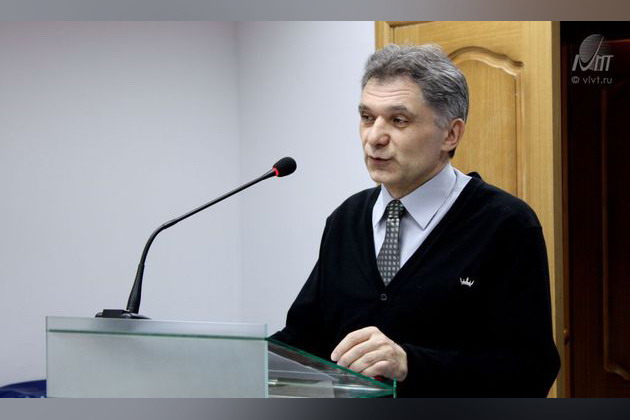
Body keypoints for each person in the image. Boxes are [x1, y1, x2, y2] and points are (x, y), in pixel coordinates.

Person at [271, 44, 560, 397]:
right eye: (367, 117)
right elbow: (304, 339)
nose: (374, 137)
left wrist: (410, 365)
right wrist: (235, 357)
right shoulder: (346, 219)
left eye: (398, 120)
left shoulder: (506, 225)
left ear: (450, 134)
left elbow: (530, 370)